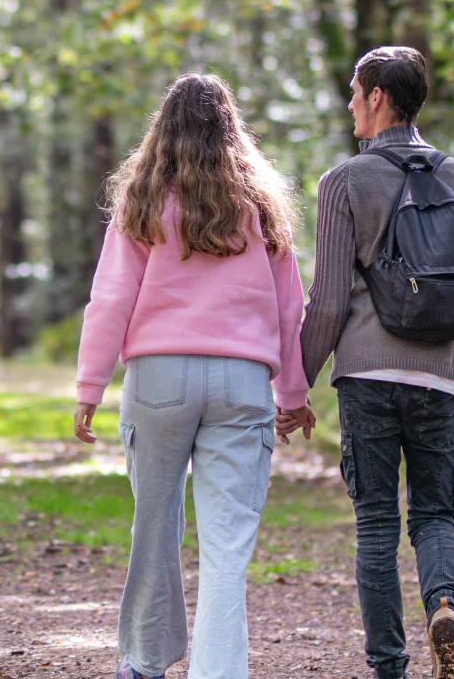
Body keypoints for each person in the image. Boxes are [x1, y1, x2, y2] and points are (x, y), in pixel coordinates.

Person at [71, 73, 311, 679]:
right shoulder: (261, 207)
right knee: (228, 545)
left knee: (154, 528)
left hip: (158, 378)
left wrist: (90, 387)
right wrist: (293, 394)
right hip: (242, 380)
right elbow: (290, 309)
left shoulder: (143, 201)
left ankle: (145, 662)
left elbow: (110, 299)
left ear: (164, 130)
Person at [285, 45, 454, 679]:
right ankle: (445, 607)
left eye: (356, 93)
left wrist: (296, 388)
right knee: (435, 516)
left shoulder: (344, 182)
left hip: (367, 376)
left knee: (377, 523)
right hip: (444, 378)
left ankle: (390, 667)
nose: (350, 103)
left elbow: (328, 301)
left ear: (377, 96)